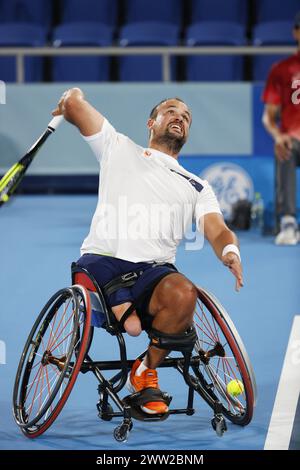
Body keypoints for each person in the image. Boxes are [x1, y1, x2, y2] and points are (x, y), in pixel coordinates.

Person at [52, 89, 243, 415]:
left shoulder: (197, 185)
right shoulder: (118, 147)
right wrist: (73, 98)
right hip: (102, 265)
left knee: (185, 292)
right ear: (151, 123)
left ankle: (144, 370)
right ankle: (127, 317)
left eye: (185, 117)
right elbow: (74, 107)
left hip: (154, 274)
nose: (179, 118)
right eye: (171, 111)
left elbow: (217, 228)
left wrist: (228, 250)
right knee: (133, 326)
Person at [262, 11, 300, 245]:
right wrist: (278, 135)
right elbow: (268, 117)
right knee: (284, 148)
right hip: (293, 140)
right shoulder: (281, 69)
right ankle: (287, 221)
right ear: (296, 32)